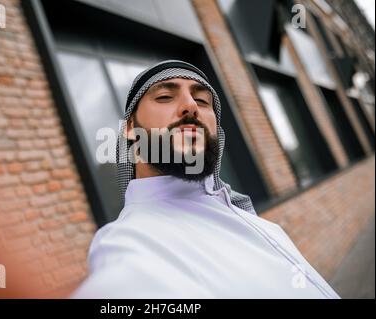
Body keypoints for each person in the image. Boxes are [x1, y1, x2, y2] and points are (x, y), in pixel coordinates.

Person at [72, 60, 340, 298]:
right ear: (130, 128)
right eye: (165, 96)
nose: (190, 106)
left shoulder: (259, 223)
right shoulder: (128, 243)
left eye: (202, 101)